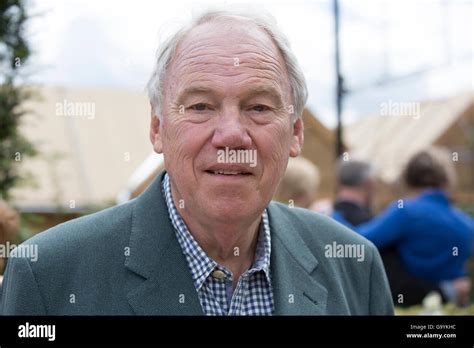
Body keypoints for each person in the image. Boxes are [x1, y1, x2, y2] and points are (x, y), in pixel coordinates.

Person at [1, 9, 393, 315]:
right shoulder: (49, 276)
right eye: (200, 106)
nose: (231, 135)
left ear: (295, 133)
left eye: (258, 107)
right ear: (157, 129)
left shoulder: (355, 267)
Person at [335, 149, 474, 306]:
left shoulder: (405, 212)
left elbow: (359, 241)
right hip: (453, 304)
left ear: (409, 176)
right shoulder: (467, 224)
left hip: (413, 302)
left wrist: (332, 217)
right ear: (447, 178)